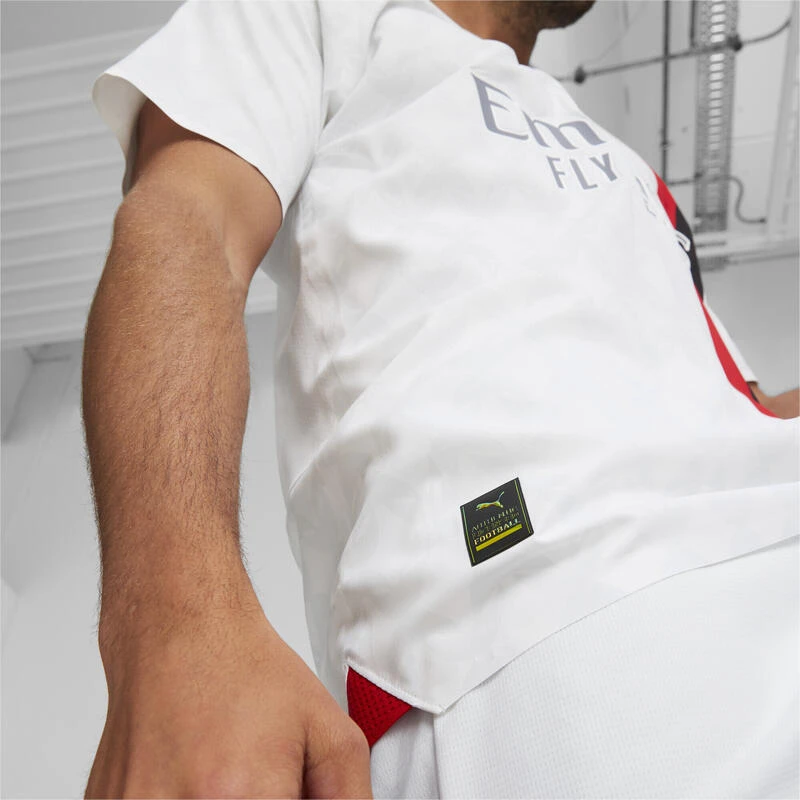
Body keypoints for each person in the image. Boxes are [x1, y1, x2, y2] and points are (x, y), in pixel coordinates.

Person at [82, 1, 799, 797]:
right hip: (553, 609)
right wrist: (178, 629)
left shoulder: (625, 167)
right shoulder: (336, 14)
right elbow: (191, 221)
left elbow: (734, 407)